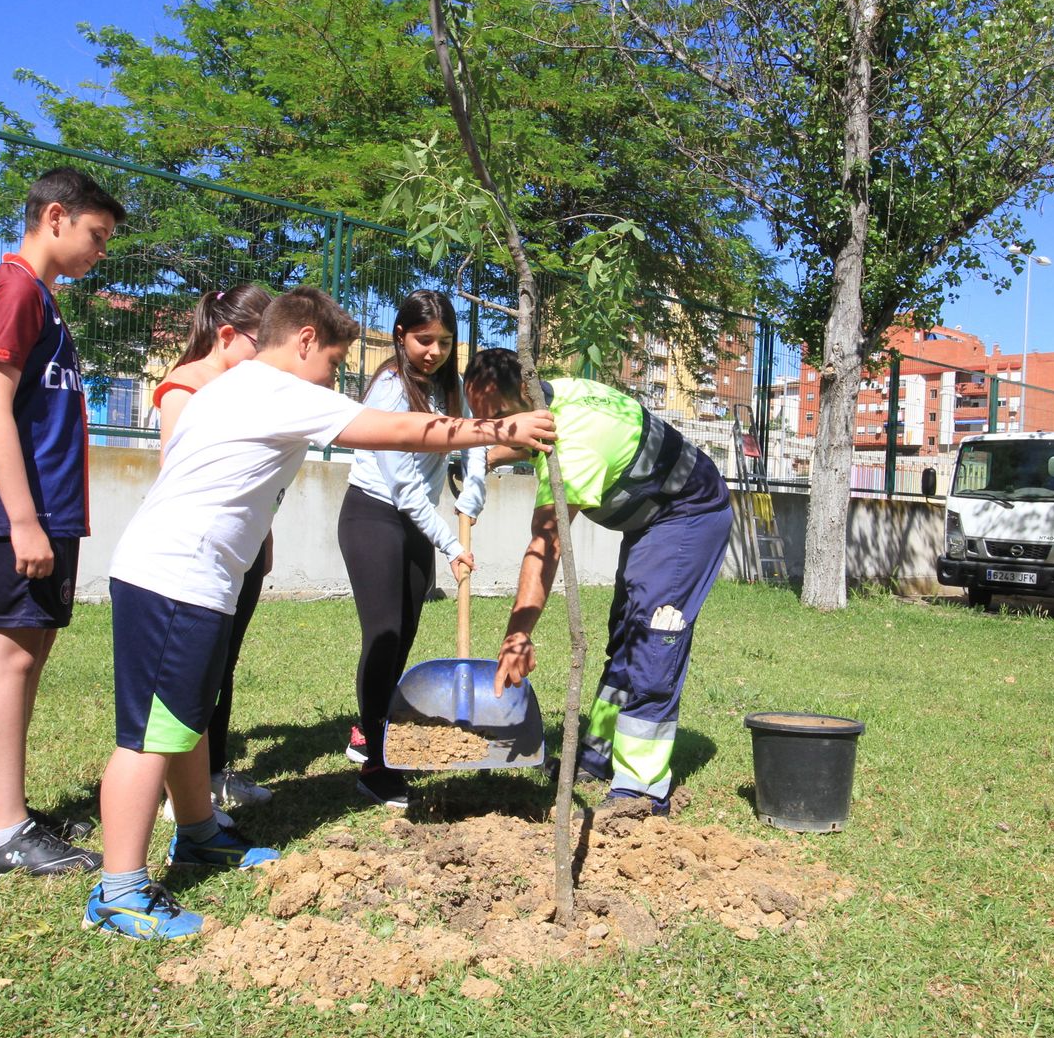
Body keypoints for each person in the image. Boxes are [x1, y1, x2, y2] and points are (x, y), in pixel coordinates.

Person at [85, 286, 554, 940]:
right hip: (177, 579)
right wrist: (499, 428)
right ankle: (120, 891)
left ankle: (197, 834)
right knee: (149, 735)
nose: (335, 377)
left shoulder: (233, 385)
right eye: (333, 362)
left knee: (184, 720)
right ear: (304, 340)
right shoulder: (278, 388)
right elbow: (398, 430)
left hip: (188, 575)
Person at [464, 348, 733, 816]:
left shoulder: (576, 442)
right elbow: (520, 437)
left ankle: (641, 790)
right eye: (482, 422)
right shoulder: (554, 397)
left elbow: (546, 545)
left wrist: (518, 634)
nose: (494, 430)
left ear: (527, 401)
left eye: (499, 420)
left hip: (689, 514)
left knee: (654, 637)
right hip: (651, 520)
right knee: (626, 634)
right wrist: (485, 457)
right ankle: (597, 754)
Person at [0, 167, 125, 876]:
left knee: (32, 654)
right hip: (15, 514)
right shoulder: (16, 288)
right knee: (9, 655)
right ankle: (3, 832)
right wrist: (23, 520)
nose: (100, 251)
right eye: (96, 235)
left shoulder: (43, 298)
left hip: (50, 512)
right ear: (55, 216)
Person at [338, 290, 487, 810]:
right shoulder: (390, 389)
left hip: (416, 525)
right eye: (425, 340)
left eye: (445, 342)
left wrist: (476, 483)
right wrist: (449, 542)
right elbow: (404, 490)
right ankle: (376, 766)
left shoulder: (447, 385)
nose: (435, 351)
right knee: (383, 632)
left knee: (404, 635)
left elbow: (474, 439)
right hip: (374, 515)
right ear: (401, 335)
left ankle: (368, 730)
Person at [153, 284, 275, 822]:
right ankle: (172, 791)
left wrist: (263, 540)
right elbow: (180, 480)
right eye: (261, 343)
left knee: (222, 666)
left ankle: (213, 773)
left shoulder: (245, 391)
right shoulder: (184, 388)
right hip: (193, 558)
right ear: (228, 335)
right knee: (190, 671)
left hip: (240, 552)